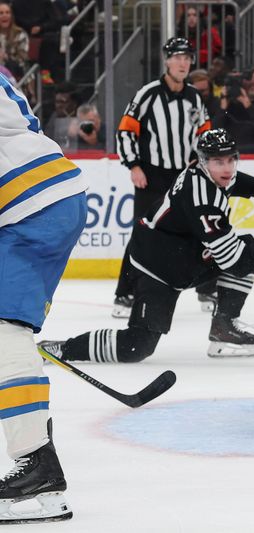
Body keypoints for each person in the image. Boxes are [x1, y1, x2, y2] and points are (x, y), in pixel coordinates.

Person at [38, 129, 254, 363]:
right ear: (202, 162)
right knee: (136, 346)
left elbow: (236, 181)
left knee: (248, 247)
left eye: (232, 159)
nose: (228, 168)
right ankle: (63, 349)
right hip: (157, 266)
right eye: (219, 161)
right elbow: (231, 259)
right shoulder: (200, 197)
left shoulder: (212, 174)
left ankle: (224, 329)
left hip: (184, 254)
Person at [0, 72, 86, 523]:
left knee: (3, 328)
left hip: (31, 206)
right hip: (48, 196)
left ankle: (37, 463)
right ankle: (35, 448)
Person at [114, 37, 211, 318]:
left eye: (187, 57)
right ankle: (125, 293)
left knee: (198, 229)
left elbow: (204, 132)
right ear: (167, 60)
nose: (183, 62)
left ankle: (206, 289)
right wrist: (133, 165)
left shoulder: (194, 96)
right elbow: (125, 131)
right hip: (151, 175)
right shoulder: (148, 94)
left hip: (182, 175)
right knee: (144, 235)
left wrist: (200, 160)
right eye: (178, 57)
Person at [0, 1, 28, 77]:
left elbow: (22, 59)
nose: (4, 15)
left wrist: (5, 57)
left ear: (11, 16)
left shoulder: (20, 34)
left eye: (7, 12)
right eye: (1, 13)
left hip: (16, 71)